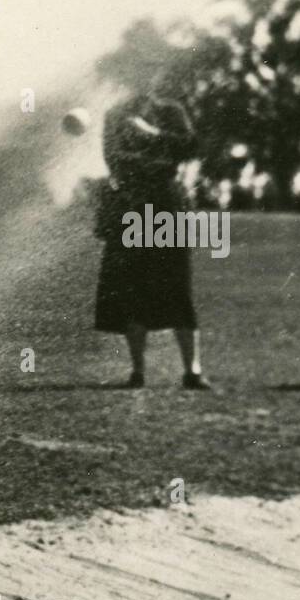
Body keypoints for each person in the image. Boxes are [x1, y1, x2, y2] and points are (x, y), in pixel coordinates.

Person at [93, 88, 211, 390]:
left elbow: (191, 147)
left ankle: (192, 371)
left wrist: (151, 133)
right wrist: (156, 156)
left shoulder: (170, 111)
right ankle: (138, 372)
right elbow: (113, 159)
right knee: (133, 289)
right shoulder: (115, 115)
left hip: (168, 205)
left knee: (178, 286)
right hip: (131, 204)